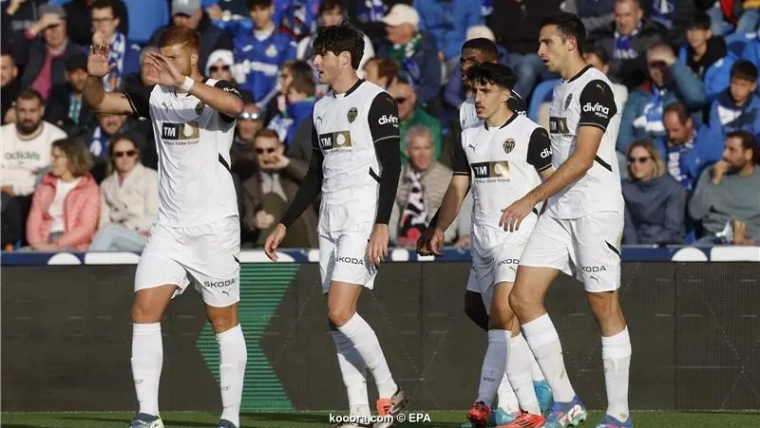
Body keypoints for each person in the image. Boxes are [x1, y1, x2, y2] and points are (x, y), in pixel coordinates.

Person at [82, 26, 247, 428]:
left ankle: (230, 417)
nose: (165, 65)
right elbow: (98, 101)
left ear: (193, 58)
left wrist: (186, 83)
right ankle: (148, 415)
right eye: (162, 57)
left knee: (222, 321)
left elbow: (235, 107)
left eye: (173, 58)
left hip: (214, 228)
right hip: (170, 229)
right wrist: (94, 75)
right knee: (143, 311)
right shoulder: (154, 96)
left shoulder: (216, 89)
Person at [263, 24, 407, 428]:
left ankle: (389, 389)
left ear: (344, 57)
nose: (316, 62)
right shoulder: (321, 107)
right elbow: (314, 174)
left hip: (362, 215)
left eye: (322, 54)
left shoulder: (377, 101)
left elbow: (392, 165)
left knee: (340, 311)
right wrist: (284, 223)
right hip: (330, 216)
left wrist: (381, 223)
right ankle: (359, 413)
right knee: (335, 318)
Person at [500, 12, 633, 428]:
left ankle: (618, 416)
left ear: (570, 42)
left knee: (603, 306)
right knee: (521, 298)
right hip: (559, 211)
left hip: (594, 209)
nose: (540, 51)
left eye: (547, 43)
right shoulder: (558, 90)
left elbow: (582, 159)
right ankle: (566, 399)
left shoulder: (596, 88)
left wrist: (529, 198)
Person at [418, 38, 552, 428]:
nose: (475, 91)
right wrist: (437, 227)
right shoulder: (467, 129)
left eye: (483, 84)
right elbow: (460, 185)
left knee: (501, 316)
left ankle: (500, 404)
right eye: (470, 79)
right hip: (483, 238)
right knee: (482, 311)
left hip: (518, 236)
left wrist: (535, 210)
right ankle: (528, 404)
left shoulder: (525, 126)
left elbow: (554, 181)